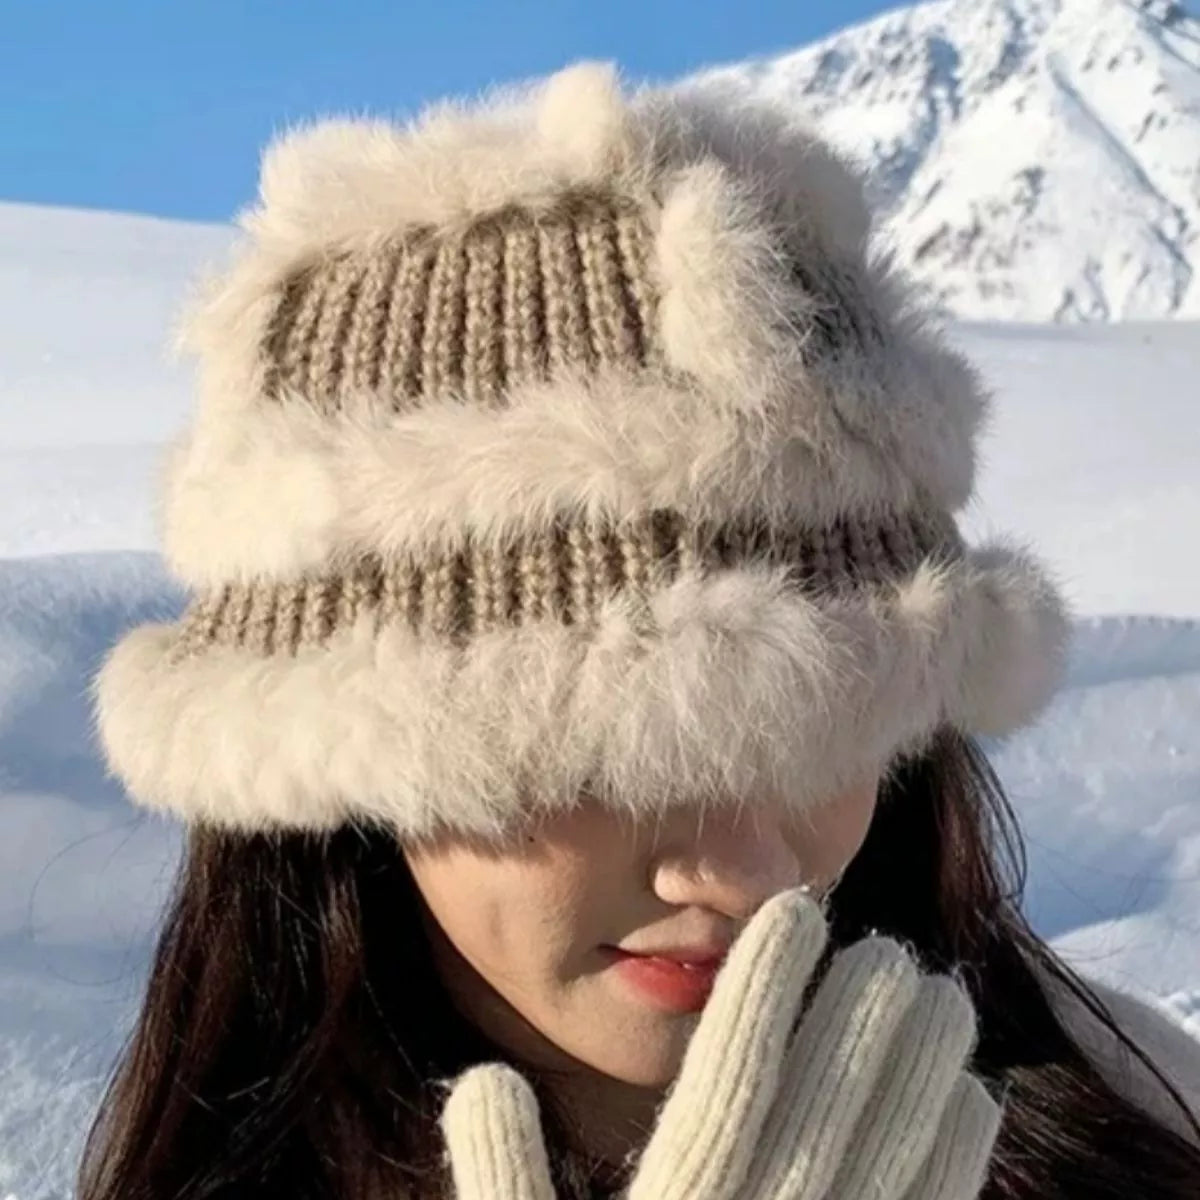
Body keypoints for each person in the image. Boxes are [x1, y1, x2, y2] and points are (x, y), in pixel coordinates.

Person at [80, 60, 1200, 1199]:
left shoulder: (1148, 1127)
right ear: (339, 776)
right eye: (606, 753)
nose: (743, 872)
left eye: (821, 725)